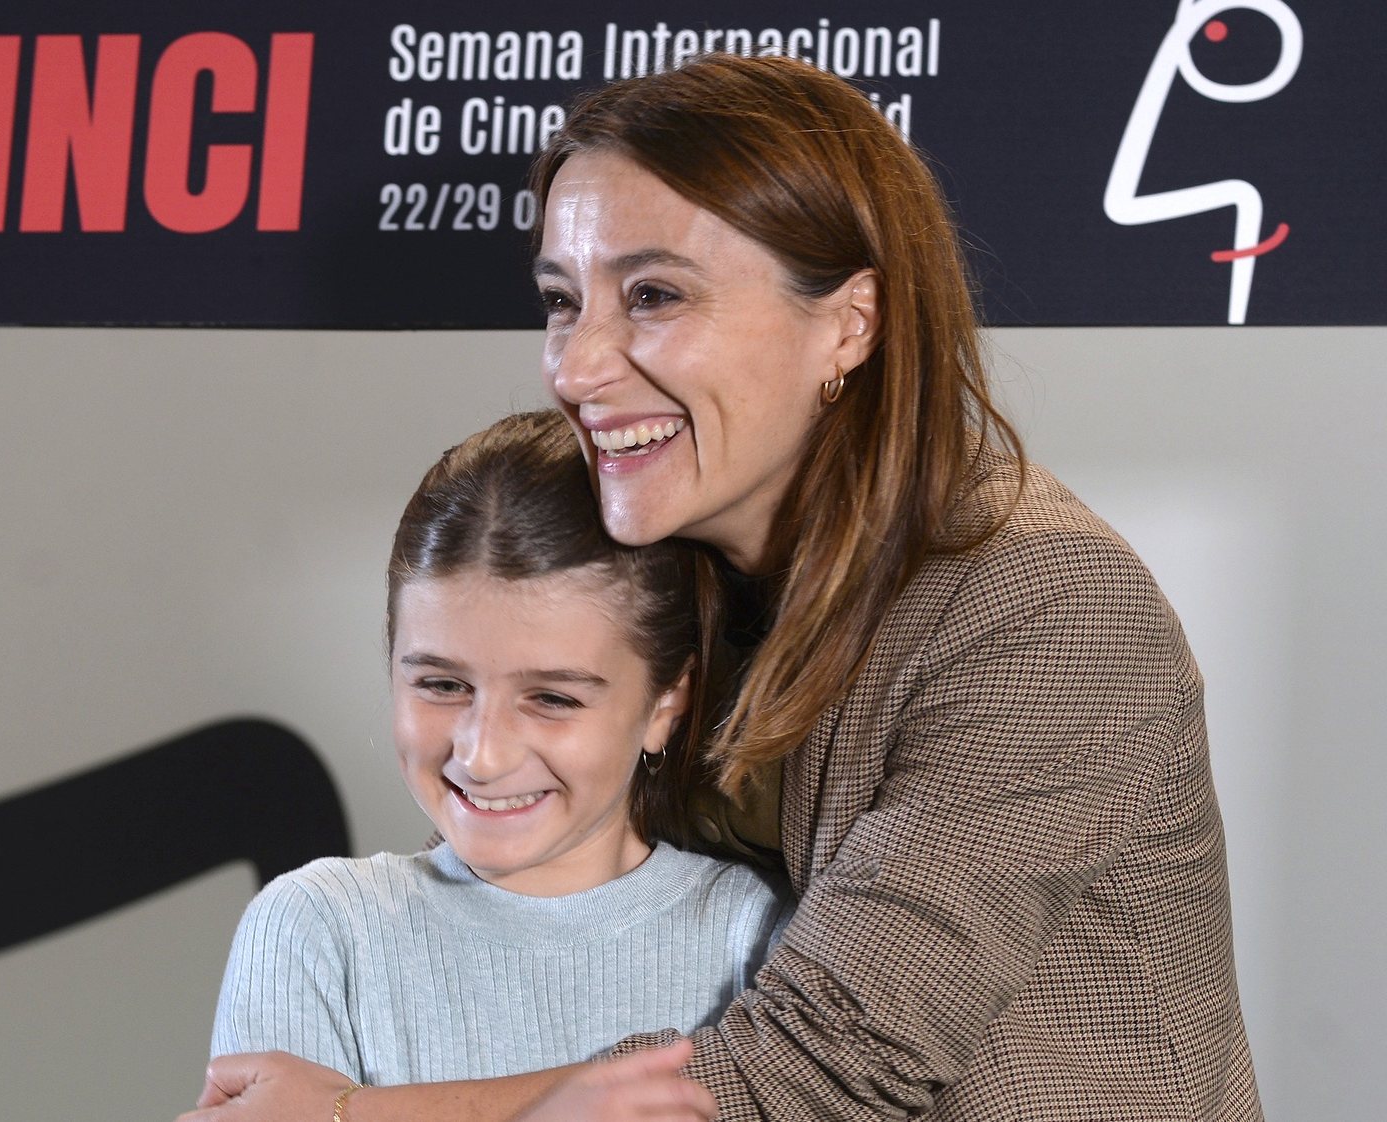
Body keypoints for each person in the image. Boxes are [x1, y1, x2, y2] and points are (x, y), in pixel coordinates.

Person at [188, 52, 1260, 1122]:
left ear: (849, 322)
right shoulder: (682, 551)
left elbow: (824, 1066)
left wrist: (347, 1114)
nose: (574, 364)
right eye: (561, 301)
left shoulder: (1049, 610)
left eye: (653, 295)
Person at [207, 411, 781, 1117]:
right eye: (443, 685)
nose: (482, 755)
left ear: (666, 702)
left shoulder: (755, 935)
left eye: (551, 698)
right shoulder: (316, 931)